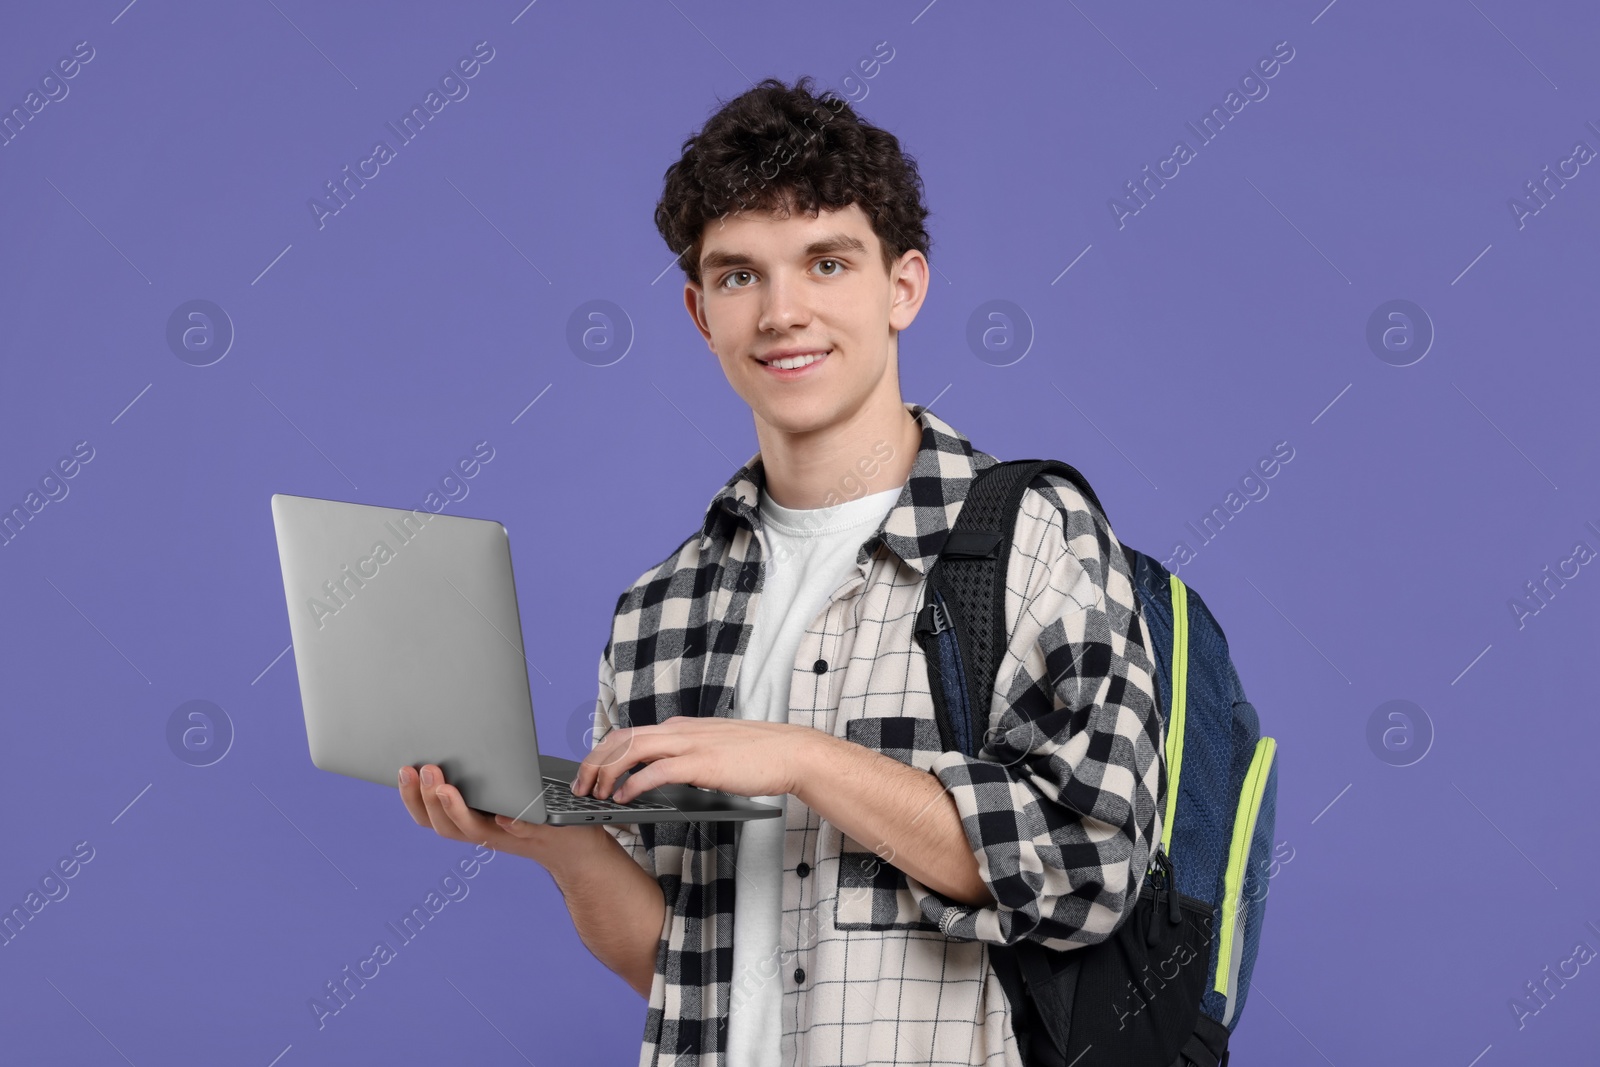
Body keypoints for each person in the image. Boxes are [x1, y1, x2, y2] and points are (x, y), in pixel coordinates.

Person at [400, 75, 1163, 1067]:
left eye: (827, 262)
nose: (781, 311)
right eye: (737, 276)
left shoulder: (1032, 538)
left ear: (904, 286)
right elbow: (677, 966)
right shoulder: (660, 607)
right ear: (698, 311)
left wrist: (800, 757)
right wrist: (557, 839)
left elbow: (1090, 864)